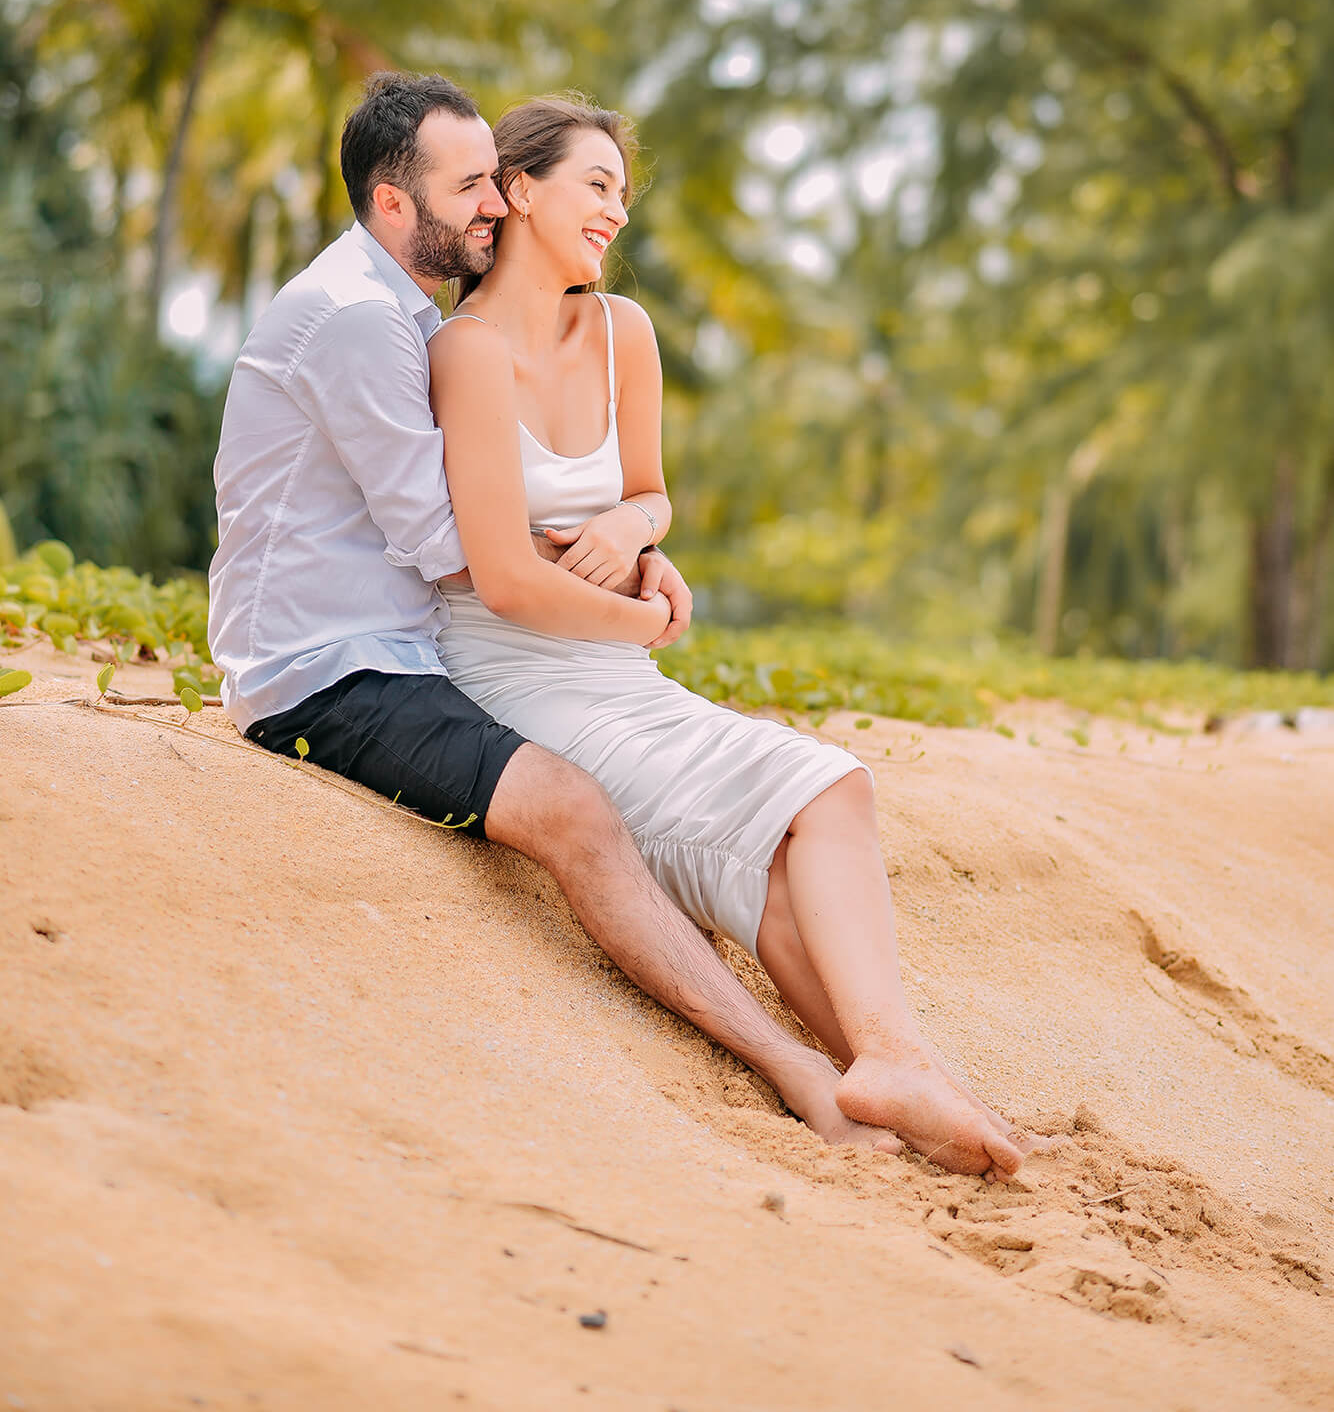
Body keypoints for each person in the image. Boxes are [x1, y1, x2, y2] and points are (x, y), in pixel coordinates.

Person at [208, 71, 904, 1155]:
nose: (490, 203)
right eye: (472, 184)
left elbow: (494, 526)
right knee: (574, 810)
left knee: (690, 813)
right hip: (324, 673)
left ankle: (881, 1069)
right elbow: (456, 544)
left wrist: (634, 530)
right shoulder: (359, 321)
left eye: (493, 177)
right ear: (397, 204)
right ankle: (796, 1067)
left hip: (406, 654)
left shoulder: (410, 311)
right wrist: (635, 589)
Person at [430, 93, 1037, 1177]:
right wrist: (647, 613)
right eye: (596, 186)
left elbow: (651, 492)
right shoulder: (464, 352)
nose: (616, 212)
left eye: (624, 192)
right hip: (522, 681)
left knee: (808, 823)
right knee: (821, 789)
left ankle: (895, 1070)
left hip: (616, 669)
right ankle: (900, 1064)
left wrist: (627, 528)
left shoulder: (623, 331)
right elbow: (510, 582)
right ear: (519, 190)